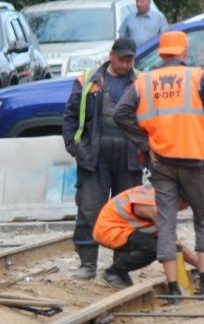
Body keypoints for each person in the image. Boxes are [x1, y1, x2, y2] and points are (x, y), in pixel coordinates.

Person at [113, 30, 204, 300]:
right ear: (183, 52)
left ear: (163, 53)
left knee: (166, 222)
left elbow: (121, 113)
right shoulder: (196, 76)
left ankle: (174, 288)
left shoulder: (144, 81)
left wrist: (146, 143)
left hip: (162, 160)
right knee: (203, 218)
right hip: (193, 158)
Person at [60, 35, 147, 282]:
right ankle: (88, 263)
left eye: (130, 60)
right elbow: (69, 117)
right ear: (111, 56)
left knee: (127, 212)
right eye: (122, 60)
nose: (126, 65)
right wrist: (76, 149)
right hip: (94, 156)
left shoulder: (141, 81)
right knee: (89, 209)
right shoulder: (88, 80)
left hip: (130, 157)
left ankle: (120, 267)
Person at [93, 184, 199, 287]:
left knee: (155, 244)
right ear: (178, 199)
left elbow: (174, 244)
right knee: (154, 248)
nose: (186, 208)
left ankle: (121, 272)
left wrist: (200, 265)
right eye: (187, 204)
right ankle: (113, 272)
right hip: (108, 231)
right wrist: (200, 266)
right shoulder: (154, 207)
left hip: (121, 229)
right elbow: (169, 243)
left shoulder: (159, 198)